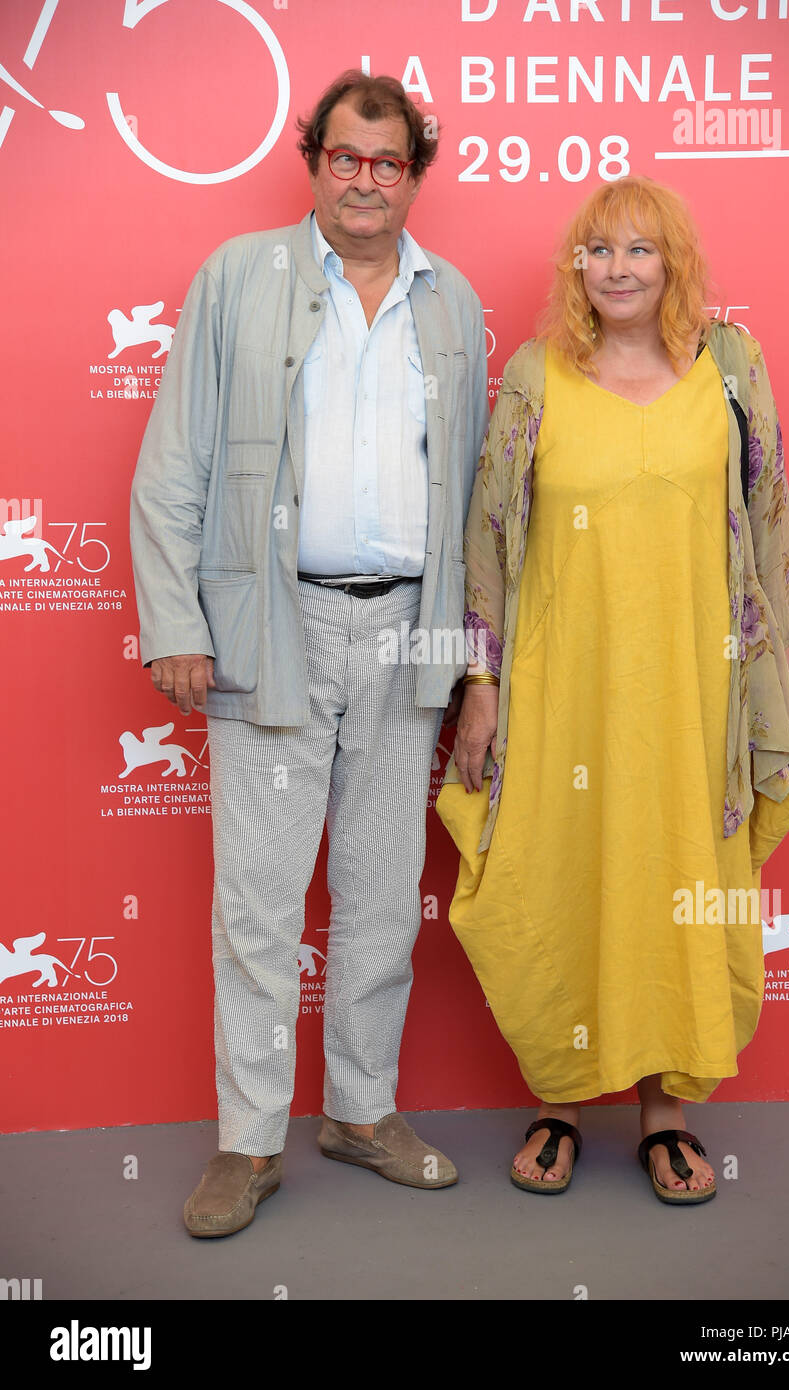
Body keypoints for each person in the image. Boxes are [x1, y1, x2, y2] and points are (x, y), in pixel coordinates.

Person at [130, 70, 488, 1237]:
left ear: (414, 174)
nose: (366, 180)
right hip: (270, 625)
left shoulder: (454, 303)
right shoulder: (240, 277)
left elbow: (480, 503)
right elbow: (174, 459)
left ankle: (361, 1110)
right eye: (346, 156)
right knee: (260, 904)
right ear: (315, 161)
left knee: (385, 897)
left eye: (389, 162)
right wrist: (179, 621)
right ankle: (246, 1141)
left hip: (408, 632)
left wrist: (474, 662)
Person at [437, 176, 789, 1204]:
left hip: (696, 688)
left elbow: (768, 518)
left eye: (640, 250)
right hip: (565, 686)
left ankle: (664, 1112)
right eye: (598, 251)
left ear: (673, 262)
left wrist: (769, 684)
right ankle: (559, 1098)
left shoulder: (730, 367)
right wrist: (482, 682)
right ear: (576, 268)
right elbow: (489, 539)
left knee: (677, 876)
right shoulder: (536, 375)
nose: (617, 269)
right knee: (558, 870)